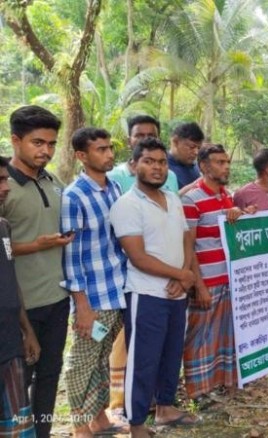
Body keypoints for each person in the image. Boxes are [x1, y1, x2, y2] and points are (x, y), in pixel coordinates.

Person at [109, 138, 199, 438]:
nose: (157, 167)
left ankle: (165, 407)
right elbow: (138, 257)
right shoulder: (126, 205)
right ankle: (136, 423)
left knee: (172, 352)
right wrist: (181, 275)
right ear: (134, 165)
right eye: (149, 161)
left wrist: (184, 274)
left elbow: (186, 238)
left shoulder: (172, 198)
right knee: (143, 358)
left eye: (161, 162)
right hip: (146, 294)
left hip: (177, 291)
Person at [0, 106, 72, 438]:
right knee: (17, 385)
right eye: (37, 142)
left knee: (49, 377)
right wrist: (36, 245)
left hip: (57, 298)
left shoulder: (54, 180)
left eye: (51, 143)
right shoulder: (4, 188)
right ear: (15, 140)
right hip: (21, 306)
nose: (45, 150)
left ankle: (42, 433)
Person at [60, 128, 128, 437]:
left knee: (102, 358)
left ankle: (99, 417)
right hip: (94, 297)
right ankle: (78, 426)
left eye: (110, 148)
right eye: (101, 149)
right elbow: (71, 255)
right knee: (82, 362)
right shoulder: (74, 196)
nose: (110, 154)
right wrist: (82, 304)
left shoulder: (113, 188)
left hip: (116, 289)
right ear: (81, 156)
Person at [181, 144, 248, 404]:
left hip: (228, 280)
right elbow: (189, 246)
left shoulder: (227, 197)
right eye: (219, 162)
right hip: (207, 280)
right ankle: (197, 392)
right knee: (200, 338)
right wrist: (199, 285)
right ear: (204, 167)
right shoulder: (192, 199)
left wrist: (240, 214)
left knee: (224, 336)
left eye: (227, 162)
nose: (226, 167)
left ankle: (221, 384)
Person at [0, 155, 41, 438]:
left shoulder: (3, 227)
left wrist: (27, 330)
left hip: (10, 340)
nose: (6, 187)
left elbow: (11, 281)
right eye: (0, 181)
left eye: (5, 179)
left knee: (15, 420)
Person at [106, 115, 179, 194]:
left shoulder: (170, 177)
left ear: (159, 140)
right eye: (139, 136)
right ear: (129, 141)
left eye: (151, 136)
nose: (146, 139)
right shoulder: (112, 177)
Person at [167, 122, 204, 189]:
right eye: (191, 147)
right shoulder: (163, 167)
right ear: (175, 142)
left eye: (198, 148)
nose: (196, 152)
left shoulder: (195, 166)